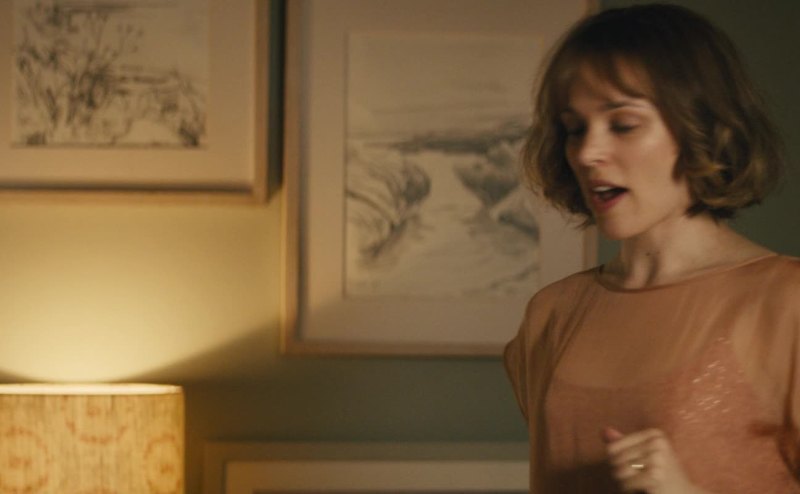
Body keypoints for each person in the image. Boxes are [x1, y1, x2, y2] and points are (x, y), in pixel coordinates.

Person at [503, 3, 800, 493]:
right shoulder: (551, 315)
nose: (587, 153)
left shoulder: (786, 304)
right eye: (575, 129)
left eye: (623, 124)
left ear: (701, 127)